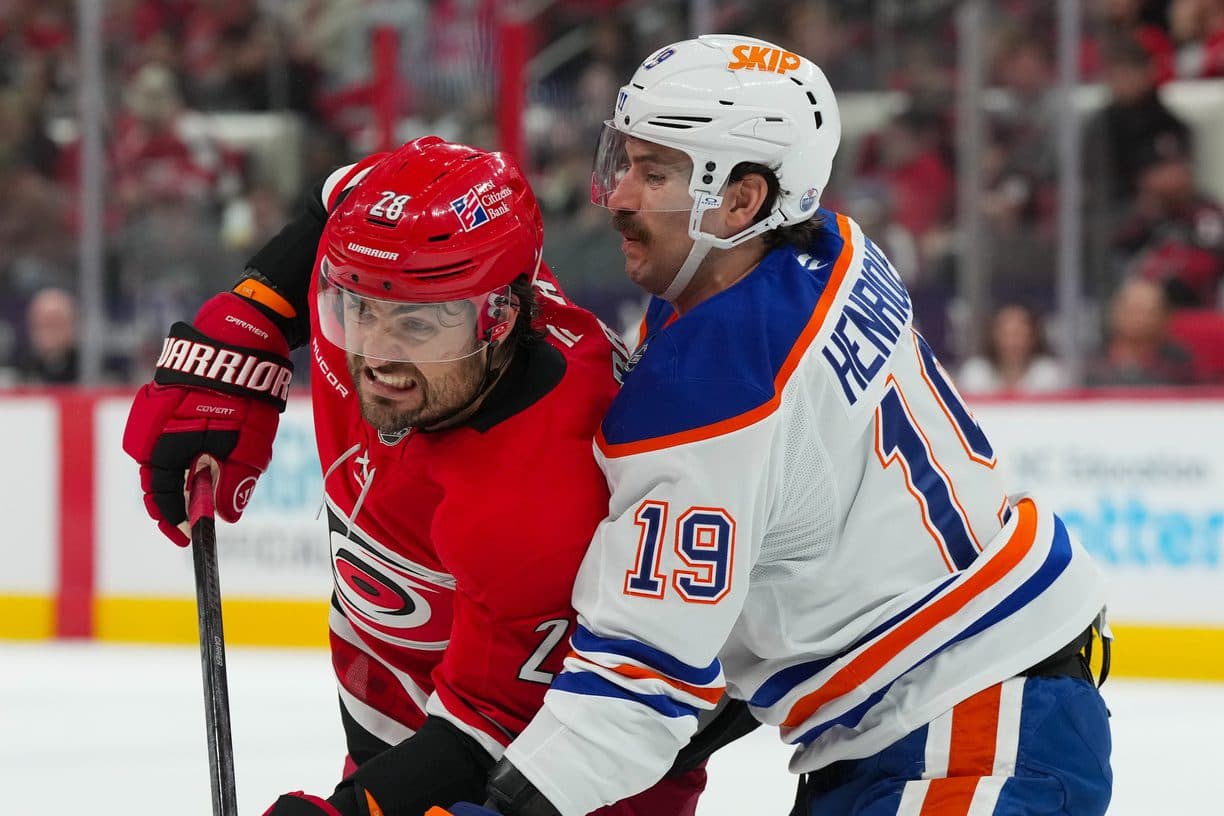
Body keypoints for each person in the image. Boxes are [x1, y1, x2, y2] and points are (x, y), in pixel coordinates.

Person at [440, 35, 1113, 816]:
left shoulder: (715, 383)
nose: (618, 195)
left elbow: (637, 686)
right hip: (932, 713)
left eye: (654, 173)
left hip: (963, 735)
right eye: (621, 161)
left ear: (744, 199)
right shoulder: (831, 244)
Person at [122, 137, 727, 815]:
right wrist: (250, 318)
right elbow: (348, 202)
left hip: (558, 790)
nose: (376, 356)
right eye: (357, 312)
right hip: (400, 736)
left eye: (417, 325)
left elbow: (493, 736)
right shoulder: (401, 283)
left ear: (500, 318)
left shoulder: (549, 496)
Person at [1086, 276, 1197, 387]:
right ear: (1115, 312)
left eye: (1147, 312)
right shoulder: (1091, 361)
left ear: (1163, 317)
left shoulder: (1178, 363)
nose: (1138, 319)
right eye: (1132, 310)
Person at [957, 303, 1071, 395]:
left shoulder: (1048, 374)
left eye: (1019, 334)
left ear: (1033, 337)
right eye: (1006, 334)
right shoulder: (975, 373)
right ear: (992, 335)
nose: (1012, 342)